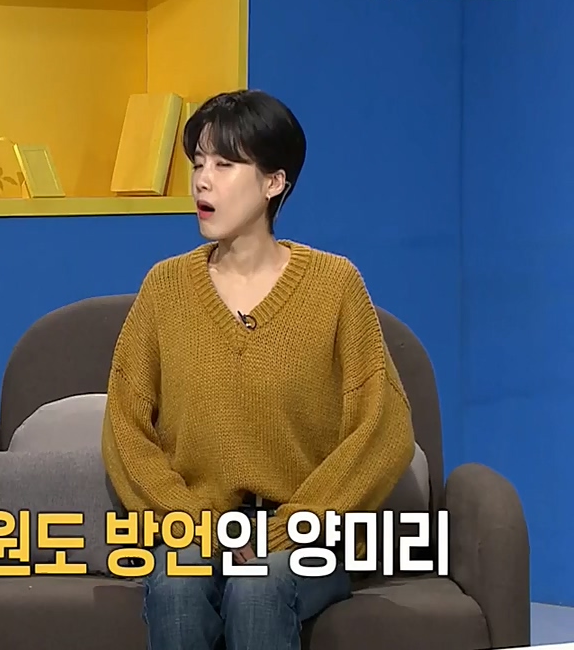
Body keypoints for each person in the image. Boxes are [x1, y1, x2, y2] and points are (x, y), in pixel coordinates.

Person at [101, 89, 416, 650]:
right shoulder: (165, 288)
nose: (203, 181)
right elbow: (125, 426)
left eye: (224, 165)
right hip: (196, 528)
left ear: (274, 182)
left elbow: (383, 428)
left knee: (258, 586)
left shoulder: (335, 286)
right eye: (198, 163)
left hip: (306, 536)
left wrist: (291, 528)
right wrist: (194, 522)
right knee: (176, 583)